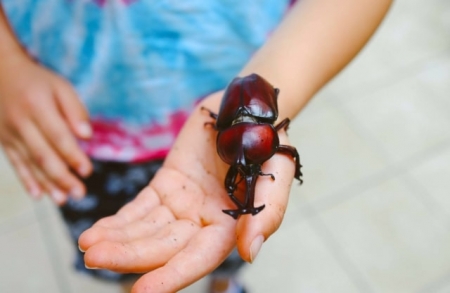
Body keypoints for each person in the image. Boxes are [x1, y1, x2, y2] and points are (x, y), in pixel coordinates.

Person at [0, 0, 392, 292]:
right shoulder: (248, 133)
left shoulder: (244, 132)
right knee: (128, 248)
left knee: (229, 239)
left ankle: (222, 285)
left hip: (238, 68)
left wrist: (285, 70)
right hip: (82, 133)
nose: (248, 166)